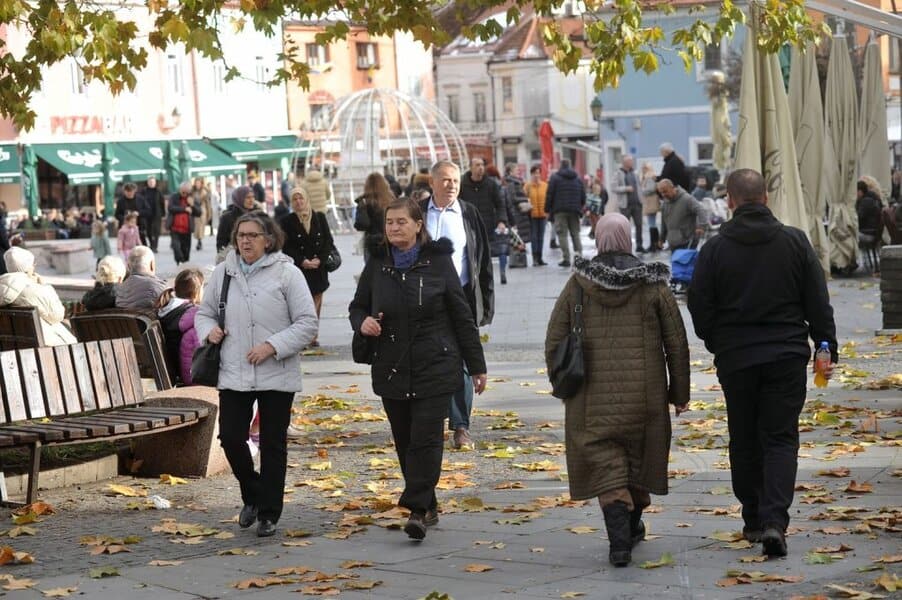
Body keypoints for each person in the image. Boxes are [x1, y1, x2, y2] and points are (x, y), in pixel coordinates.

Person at [688, 168, 838, 558]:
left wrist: (718, 342)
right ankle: (775, 521)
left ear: (730, 201)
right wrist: (825, 346)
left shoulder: (715, 250)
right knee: (780, 438)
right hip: (786, 355)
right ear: (766, 197)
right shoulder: (795, 242)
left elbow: (699, 305)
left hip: (736, 359)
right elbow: (818, 302)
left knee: (743, 438)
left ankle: (753, 517)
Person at [545, 213, 689, 567]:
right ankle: (632, 523)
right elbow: (676, 343)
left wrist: (561, 382)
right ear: (628, 239)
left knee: (606, 465)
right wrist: (679, 393)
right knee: (639, 462)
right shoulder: (654, 286)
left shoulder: (578, 285)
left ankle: (619, 544)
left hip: (590, 400)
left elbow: (554, 339)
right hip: (646, 399)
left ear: (598, 240)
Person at [349, 198, 487, 540]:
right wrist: (362, 322)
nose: (394, 228)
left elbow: (462, 315)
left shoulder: (438, 261)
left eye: (401, 222)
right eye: (389, 222)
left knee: (426, 439)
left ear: (418, 225)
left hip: (435, 363)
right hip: (392, 366)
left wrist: (477, 365)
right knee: (405, 441)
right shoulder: (378, 262)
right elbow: (358, 305)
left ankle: (417, 510)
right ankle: (429, 503)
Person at [195, 211, 317, 538]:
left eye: (253, 235)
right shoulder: (223, 273)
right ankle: (253, 493)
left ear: (269, 240)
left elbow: (307, 323)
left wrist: (272, 346)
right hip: (233, 370)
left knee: (273, 444)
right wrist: (209, 331)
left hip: (276, 371)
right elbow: (204, 314)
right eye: (241, 235)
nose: (245, 241)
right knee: (231, 437)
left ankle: (268, 514)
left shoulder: (287, 274)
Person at [420, 160, 493, 450]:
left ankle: (461, 426)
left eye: (455, 181)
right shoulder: (417, 212)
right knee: (427, 358)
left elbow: (482, 260)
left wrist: (485, 302)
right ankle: (430, 420)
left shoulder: (468, 213)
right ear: (432, 183)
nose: (451, 185)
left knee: (462, 359)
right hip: (423, 297)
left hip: (461, 295)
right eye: (446, 180)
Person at [280, 187, 334, 348]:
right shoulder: (287, 221)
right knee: (301, 304)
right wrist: (302, 261)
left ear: (306, 199)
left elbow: (328, 241)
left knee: (316, 302)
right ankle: (302, 336)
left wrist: (320, 260)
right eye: (295, 199)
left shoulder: (319, 217)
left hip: (318, 269)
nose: (298, 202)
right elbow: (286, 246)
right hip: (300, 269)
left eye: (301, 198)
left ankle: (312, 336)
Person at [0, 247, 77, 345]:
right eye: (33, 264)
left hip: (15, 347)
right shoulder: (33, 289)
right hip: (48, 346)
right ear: (27, 268)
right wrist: (44, 286)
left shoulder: (3, 289)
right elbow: (57, 315)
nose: (34, 266)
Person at [459, 158, 507, 284]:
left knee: (486, 256)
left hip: (487, 227)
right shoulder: (462, 184)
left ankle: (487, 280)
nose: (481, 168)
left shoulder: (491, 184)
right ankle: (473, 280)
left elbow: (500, 204)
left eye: (482, 165)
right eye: (477, 165)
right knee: (471, 255)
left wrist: (501, 221)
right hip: (468, 227)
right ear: (471, 167)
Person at [156, 268, 204, 386]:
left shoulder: (165, 309)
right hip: (188, 373)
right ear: (197, 293)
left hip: (173, 368)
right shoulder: (192, 314)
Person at [545, 159, 586, 267]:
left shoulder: (555, 178)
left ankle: (566, 258)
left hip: (560, 210)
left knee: (562, 234)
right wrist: (580, 206)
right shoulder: (577, 178)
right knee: (575, 233)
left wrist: (547, 209)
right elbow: (583, 195)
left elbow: (550, 194)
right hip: (574, 210)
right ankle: (579, 256)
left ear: (560, 166)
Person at [353, 172, 396, 260]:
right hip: (391, 239)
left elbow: (361, 224)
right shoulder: (392, 200)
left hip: (372, 242)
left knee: (372, 266)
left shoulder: (365, 202)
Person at [656, 179, 706, 251]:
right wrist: (661, 238)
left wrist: (702, 226)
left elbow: (701, 210)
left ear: (672, 187)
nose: (663, 195)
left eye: (665, 191)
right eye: (661, 193)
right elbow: (663, 222)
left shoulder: (687, 199)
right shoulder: (665, 203)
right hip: (672, 242)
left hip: (688, 241)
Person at [485, 164, 512, 285]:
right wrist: (512, 222)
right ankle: (502, 271)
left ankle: (488, 274)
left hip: (488, 221)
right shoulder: (502, 187)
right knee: (502, 249)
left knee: (487, 249)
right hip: (502, 221)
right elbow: (507, 206)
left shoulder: (484, 186)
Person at [612, 156, 644, 252]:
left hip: (637, 204)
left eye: (631, 161)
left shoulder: (635, 173)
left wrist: (641, 197)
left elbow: (639, 186)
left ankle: (639, 245)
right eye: (630, 161)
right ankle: (625, 247)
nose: (631, 162)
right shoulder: (618, 173)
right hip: (625, 205)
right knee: (625, 227)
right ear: (624, 163)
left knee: (639, 225)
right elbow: (613, 188)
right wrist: (626, 188)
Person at [168, 181, 201, 265]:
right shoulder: (174, 197)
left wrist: (192, 205)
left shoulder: (192, 198)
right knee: (176, 248)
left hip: (187, 229)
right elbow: (171, 208)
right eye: (183, 192)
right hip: (175, 229)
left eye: (187, 192)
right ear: (180, 190)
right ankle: (179, 262)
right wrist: (184, 209)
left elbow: (199, 213)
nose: (184, 194)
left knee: (186, 250)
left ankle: (184, 264)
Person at [217, 186, 255, 253]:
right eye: (248, 197)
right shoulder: (227, 218)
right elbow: (221, 243)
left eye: (253, 197)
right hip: (235, 255)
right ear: (239, 198)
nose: (251, 200)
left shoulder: (256, 215)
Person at [524, 164, 548, 266]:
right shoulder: (527, 186)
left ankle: (540, 257)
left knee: (541, 237)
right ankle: (535, 258)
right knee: (534, 237)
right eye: (534, 173)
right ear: (531, 174)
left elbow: (548, 199)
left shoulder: (545, 185)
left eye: (538, 173)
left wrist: (548, 211)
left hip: (543, 214)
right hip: (532, 215)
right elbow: (524, 199)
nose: (536, 175)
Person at [639, 162, 661, 251]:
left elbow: (651, 189)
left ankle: (654, 244)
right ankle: (656, 243)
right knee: (652, 223)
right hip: (650, 201)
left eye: (645, 168)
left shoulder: (649, 177)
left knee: (652, 223)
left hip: (651, 202)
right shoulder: (649, 177)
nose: (643, 170)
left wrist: (642, 191)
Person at [141, 176, 165, 252]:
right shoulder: (144, 191)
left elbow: (162, 202)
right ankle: (151, 243)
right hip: (147, 214)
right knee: (149, 230)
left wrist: (163, 213)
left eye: (153, 182)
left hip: (157, 213)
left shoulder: (158, 191)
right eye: (150, 182)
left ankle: (155, 246)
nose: (151, 183)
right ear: (147, 182)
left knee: (156, 230)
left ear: (155, 183)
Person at [856, 179, 883, 246]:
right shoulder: (874, 198)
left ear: (860, 192)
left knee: (848, 236)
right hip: (873, 233)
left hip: (868, 234)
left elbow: (858, 219)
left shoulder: (866, 202)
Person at [192, 177, 212, 251]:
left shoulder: (204, 192)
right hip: (195, 211)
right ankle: (198, 240)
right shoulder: (192, 192)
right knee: (197, 227)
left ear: (201, 184)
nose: (197, 184)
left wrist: (209, 213)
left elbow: (208, 203)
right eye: (196, 183)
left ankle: (199, 241)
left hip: (203, 210)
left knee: (201, 226)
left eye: (199, 183)